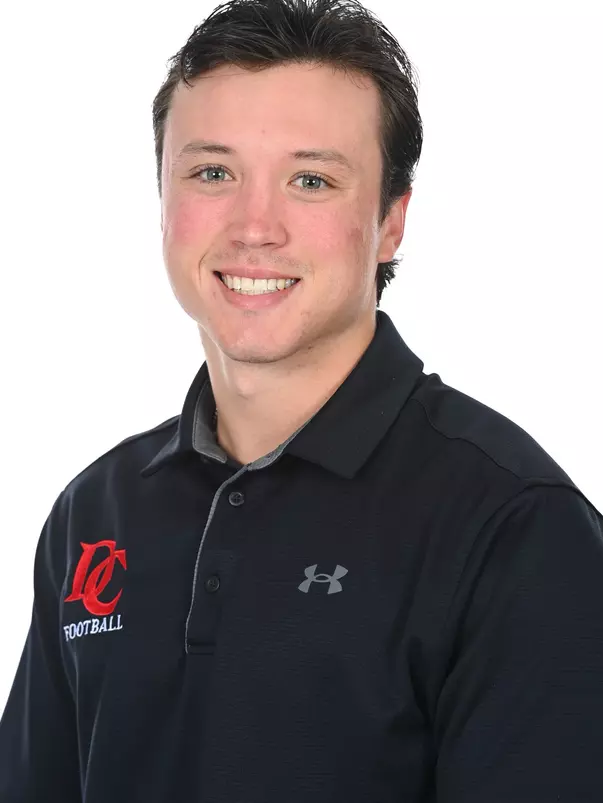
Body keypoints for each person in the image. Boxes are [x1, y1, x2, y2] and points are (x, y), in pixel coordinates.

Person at [1, 0, 602, 800]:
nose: (255, 226)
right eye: (212, 172)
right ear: (162, 201)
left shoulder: (515, 527)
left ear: (390, 223)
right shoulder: (95, 513)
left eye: (310, 180)